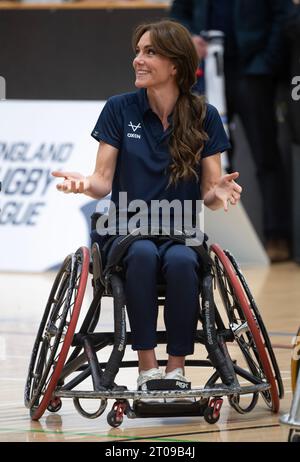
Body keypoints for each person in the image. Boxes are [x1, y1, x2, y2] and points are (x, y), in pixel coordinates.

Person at [52, 20, 242, 389]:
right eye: (138, 51)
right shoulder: (119, 109)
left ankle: (176, 369)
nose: (138, 59)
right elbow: (102, 181)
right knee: (140, 255)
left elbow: (209, 193)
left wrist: (217, 195)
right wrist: (82, 184)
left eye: (150, 52)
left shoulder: (205, 115)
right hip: (126, 229)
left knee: (183, 260)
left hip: (179, 230)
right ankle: (147, 369)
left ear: (176, 65)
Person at [170, 0, 294, 263]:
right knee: (210, 157)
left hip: (252, 72)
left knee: (266, 154)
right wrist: (189, 39)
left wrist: (265, 62)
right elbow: (179, 14)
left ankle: (277, 236)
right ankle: (216, 239)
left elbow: (284, 15)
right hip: (207, 73)